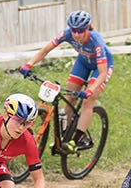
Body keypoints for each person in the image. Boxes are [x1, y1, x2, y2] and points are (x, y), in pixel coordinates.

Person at [19, 10, 114, 151]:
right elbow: (46, 49)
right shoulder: (66, 34)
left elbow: (102, 73)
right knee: (70, 96)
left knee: (88, 101)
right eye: (73, 30)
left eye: (80, 30)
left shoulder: (96, 42)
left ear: (87, 28)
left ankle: (77, 139)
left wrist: (90, 90)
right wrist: (29, 64)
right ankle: (65, 137)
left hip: (101, 67)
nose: (76, 34)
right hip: (83, 62)